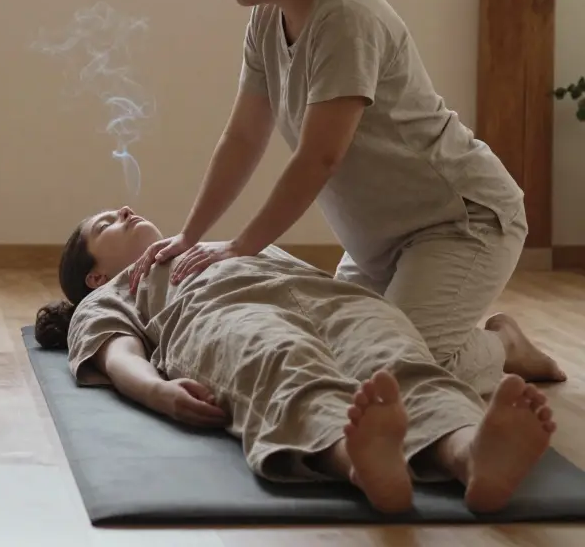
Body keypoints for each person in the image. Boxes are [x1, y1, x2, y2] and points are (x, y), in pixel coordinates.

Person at [128, 0, 564, 397]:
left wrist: (242, 247)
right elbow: (242, 138)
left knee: (392, 377)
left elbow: (319, 158)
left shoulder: (348, 17)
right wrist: (190, 236)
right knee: (330, 359)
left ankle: (503, 347)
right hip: (375, 240)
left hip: (459, 221)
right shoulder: (266, 20)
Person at [35, 205, 558, 514]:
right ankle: (358, 459)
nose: (125, 211)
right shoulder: (111, 295)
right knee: (283, 366)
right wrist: (156, 391)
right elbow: (118, 351)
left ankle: (468, 453)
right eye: (104, 223)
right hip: (221, 316)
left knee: (394, 354)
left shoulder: (205, 243)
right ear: (94, 277)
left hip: (324, 296)